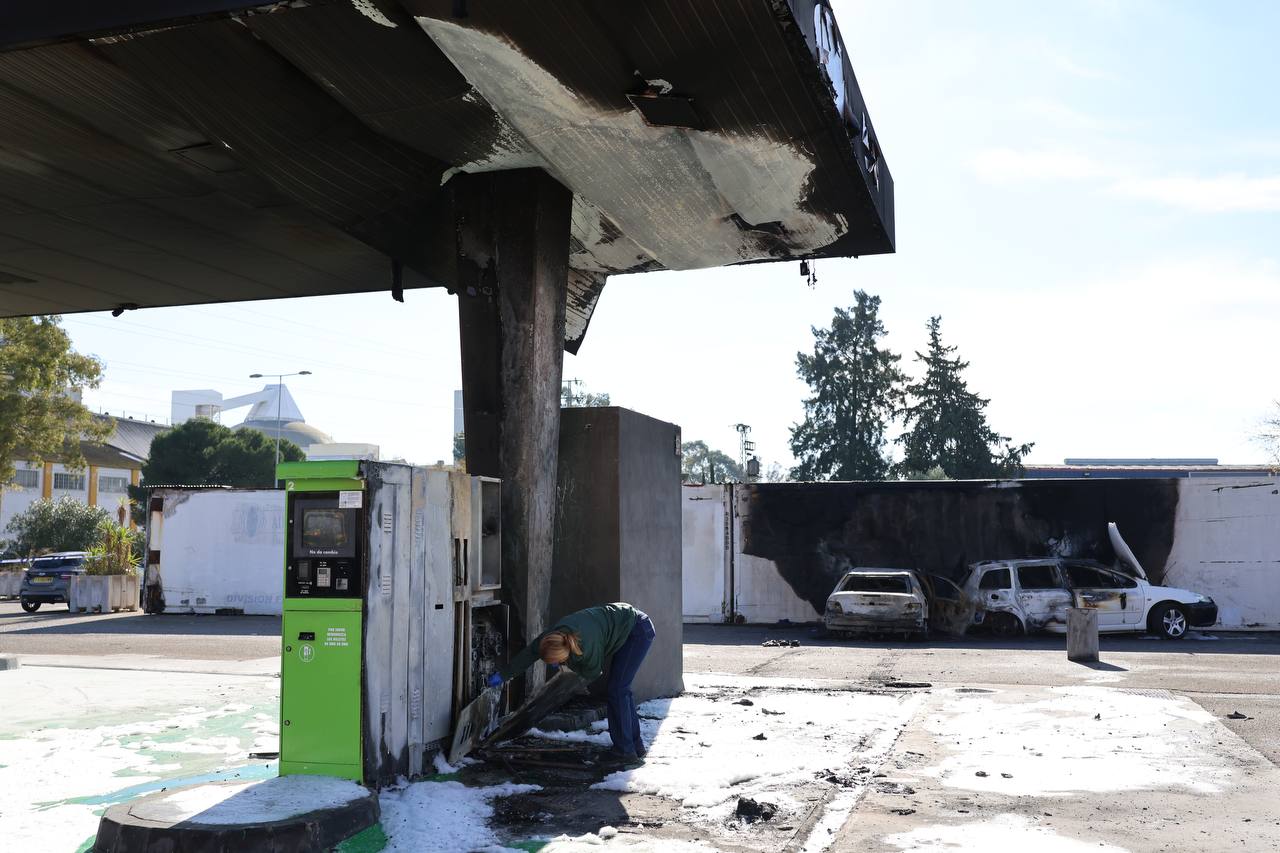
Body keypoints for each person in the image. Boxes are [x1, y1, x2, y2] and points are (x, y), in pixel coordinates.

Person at [488, 602, 656, 764]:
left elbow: (593, 672)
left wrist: (567, 669)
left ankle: (625, 752)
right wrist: (503, 675)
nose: (554, 665)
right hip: (622, 623)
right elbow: (528, 655)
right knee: (621, 691)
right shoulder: (551, 638)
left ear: (566, 656)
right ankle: (635, 747)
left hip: (638, 631)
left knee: (618, 690)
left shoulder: (587, 647)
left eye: (558, 662)